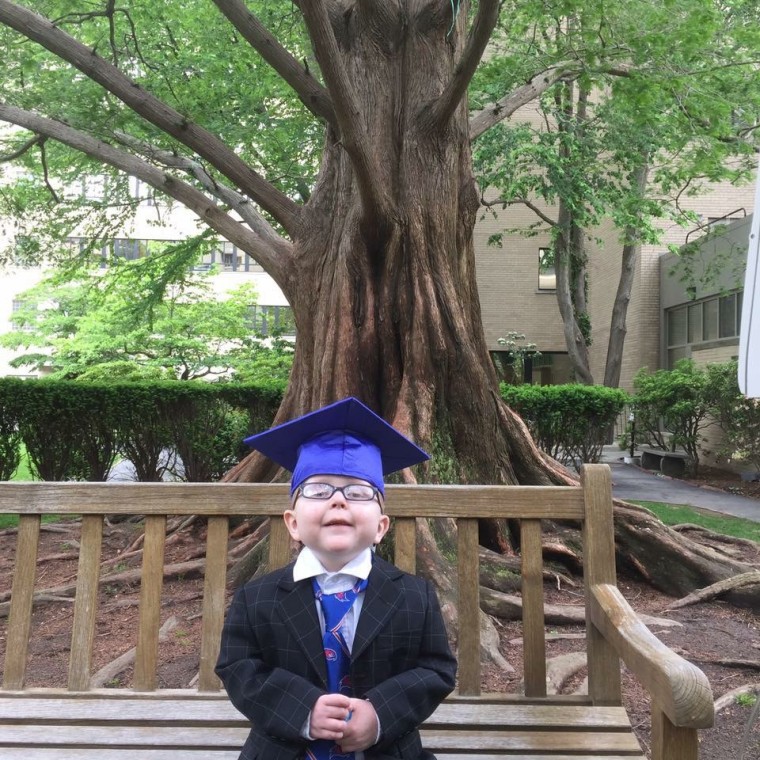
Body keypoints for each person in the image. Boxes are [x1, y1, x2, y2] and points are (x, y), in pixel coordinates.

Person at [216, 396, 457, 760]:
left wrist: (379, 714)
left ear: (381, 527)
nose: (338, 501)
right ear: (293, 523)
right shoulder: (257, 597)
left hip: (387, 751)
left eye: (358, 492)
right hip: (283, 750)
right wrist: (302, 710)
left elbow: (436, 669)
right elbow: (238, 667)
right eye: (318, 490)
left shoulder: (413, 595)